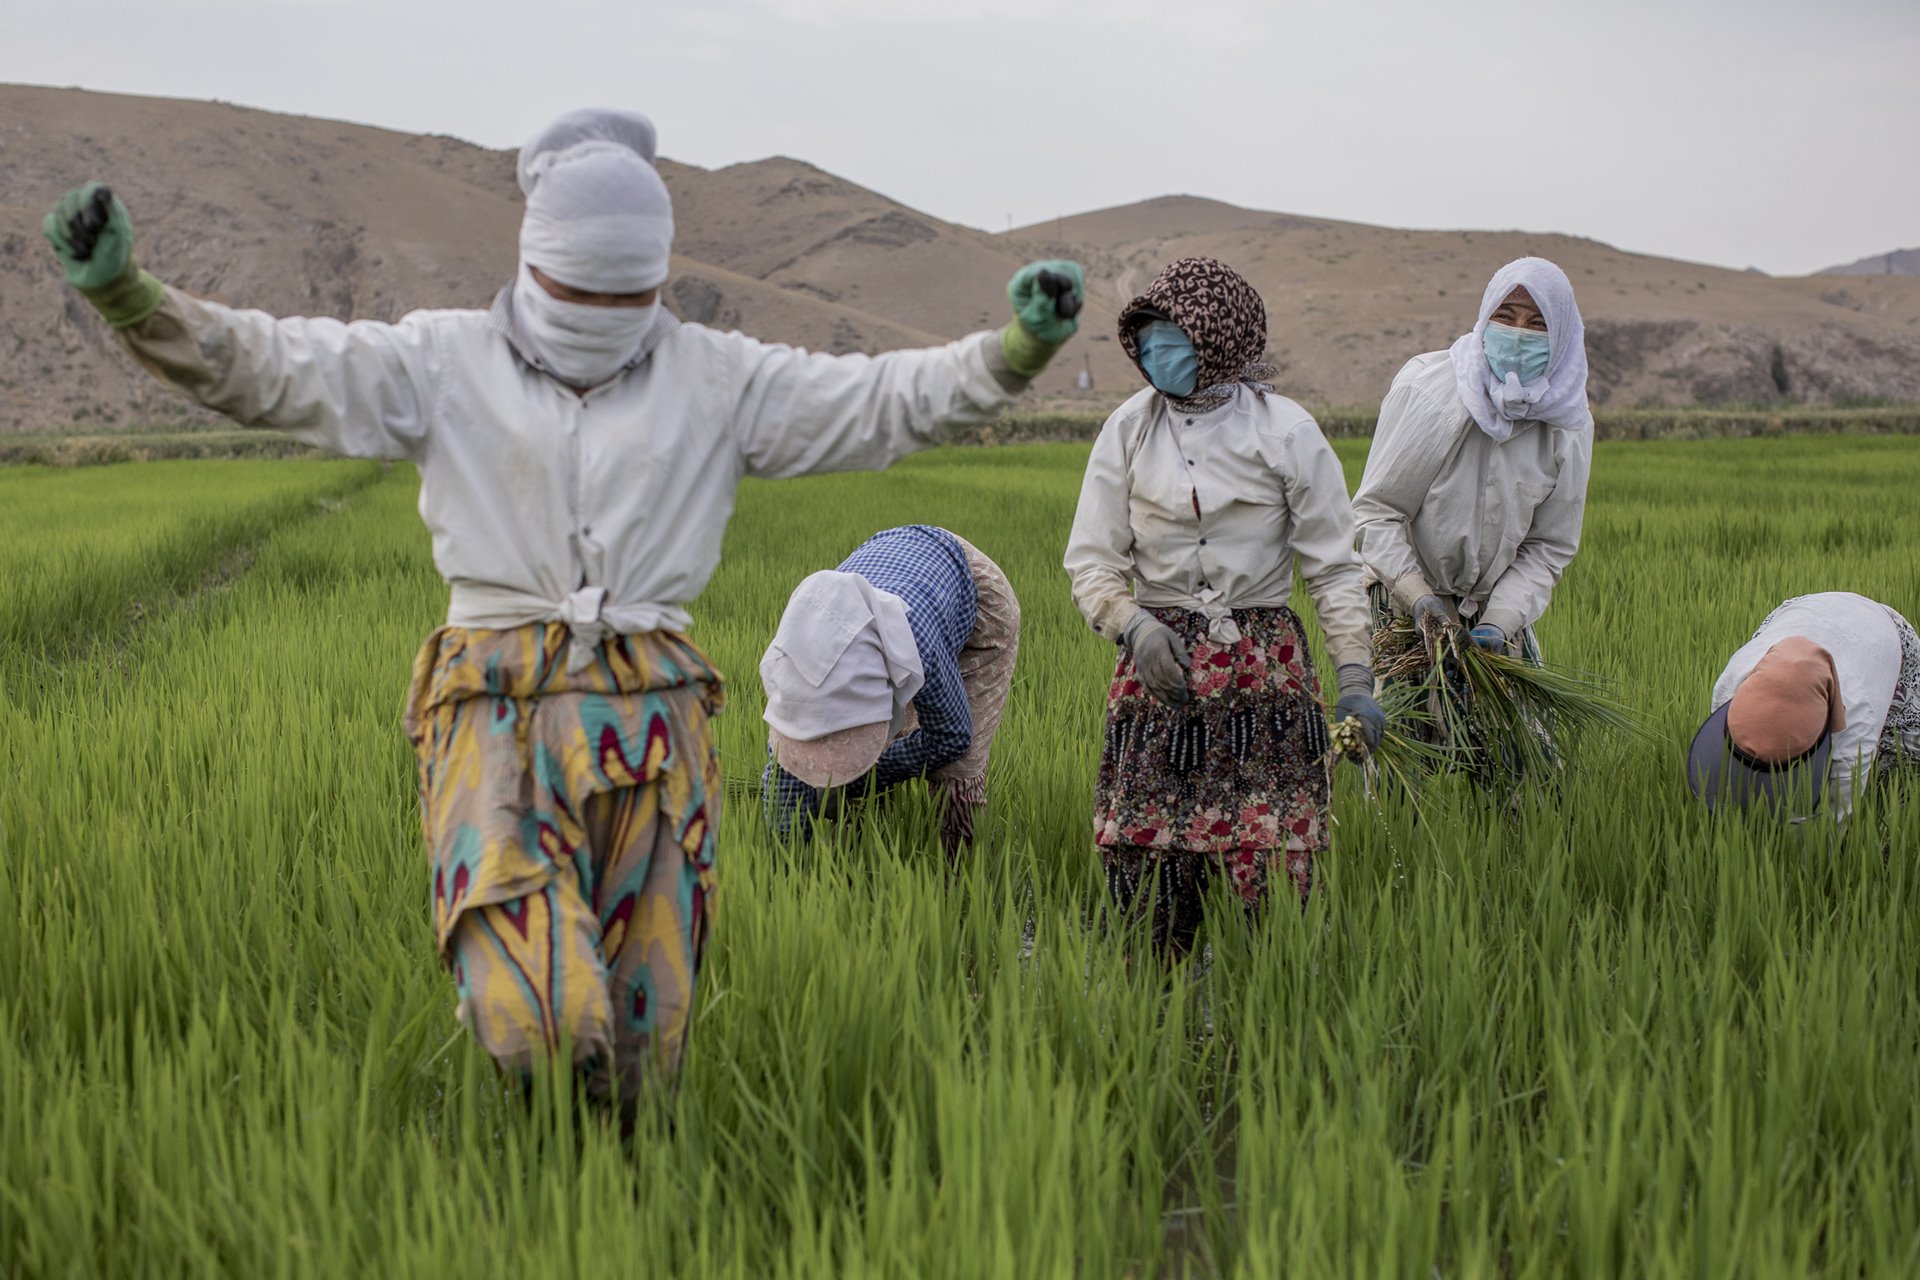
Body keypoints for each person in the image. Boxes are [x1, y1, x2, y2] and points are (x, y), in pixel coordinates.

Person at [41, 108, 1085, 1107]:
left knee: (649, 1014)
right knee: (527, 1000)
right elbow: (269, 368)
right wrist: (138, 300)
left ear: (659, 281)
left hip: (653, 712)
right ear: (531, 266)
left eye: (625, 297)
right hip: (494, 702)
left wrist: (1010, 355)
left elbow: (882, 401)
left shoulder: (711, 377)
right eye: (576, 291)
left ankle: (617, 1177)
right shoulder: (442, 362)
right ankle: (554, 1112)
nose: (599, 317)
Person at [1063, 256, 1381, 957]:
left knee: (1270, 874)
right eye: (1147, 338)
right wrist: (1131, 623)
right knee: (1149, 877)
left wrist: (1355, 677)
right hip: (1159, 677)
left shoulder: (1287, 431)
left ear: (1218, 337)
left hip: (1261, 674)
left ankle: (1269, 1023)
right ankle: (1157, 1022)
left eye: (1173, 336)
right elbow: (1091, 561)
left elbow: (1334, 567)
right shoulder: (1129, 428)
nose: (1156, 353)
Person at [1350, 258, 1592, 661]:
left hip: (1494, 620)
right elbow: (1378, 512)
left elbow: (1548, 545)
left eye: (1537, 324)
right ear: (1484, 317)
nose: (1517, 334)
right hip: (1402, 599)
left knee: (1508, 726)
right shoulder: (1429, 391)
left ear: (1562, 333)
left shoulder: (1568, 422)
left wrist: (1500, 619)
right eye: (1506, 316)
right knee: (1409, 723)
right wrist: (1418, 598)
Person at [759, 525, 1019, 855]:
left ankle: (959, 872)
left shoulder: (921, 648)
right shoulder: (794, 668)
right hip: (891, 567)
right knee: (835, 756)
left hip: (975, 593)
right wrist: (785, 859)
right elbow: (786, 769)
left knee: (957, 768)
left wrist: (866, 777)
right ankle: (861, 850)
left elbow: (952, 737)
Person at [1687, 592, 1920, 826]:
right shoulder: (1733, 681)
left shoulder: (1858, 721)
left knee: (1905, 755)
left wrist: (1799, 852)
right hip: (1801, 611)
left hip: (1881, 632)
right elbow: (1724, 760)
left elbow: (1831, 821)